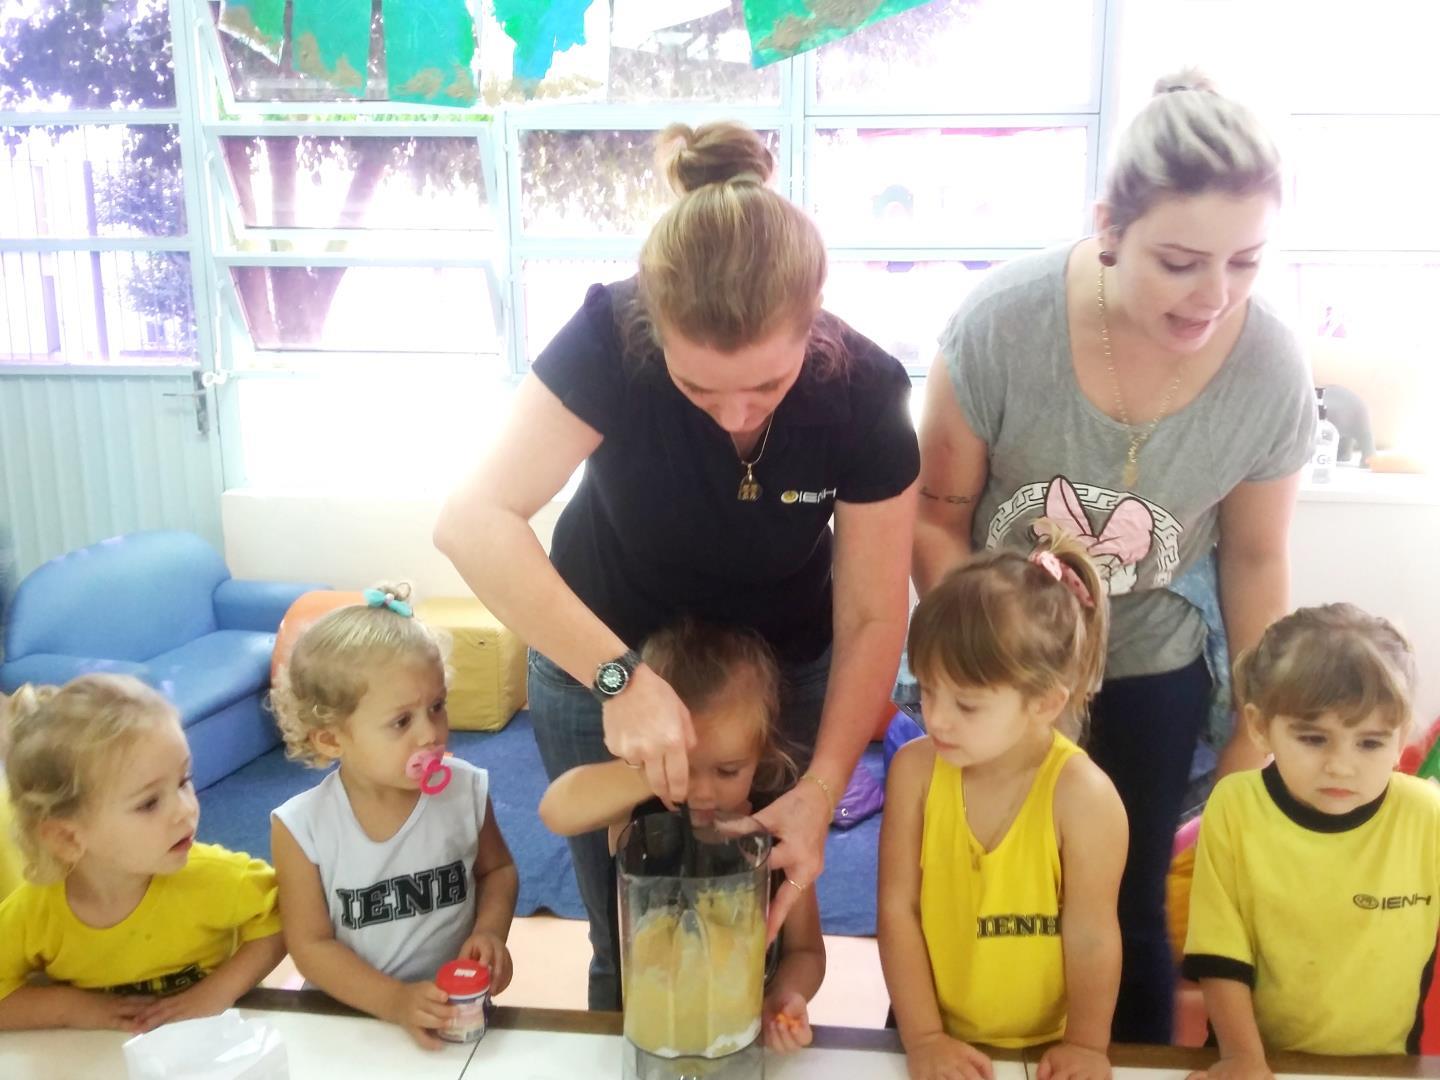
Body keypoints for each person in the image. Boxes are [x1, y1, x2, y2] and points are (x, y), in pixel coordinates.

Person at [435, 121, 919, 1008]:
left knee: (760, 912)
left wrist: (819, 789)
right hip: (606, 640)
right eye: (699, 389)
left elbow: (875, 616)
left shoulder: (864, 391)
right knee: (622, 927)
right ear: (651, 332)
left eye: (766, 389)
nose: (734, 416)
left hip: (781, 669)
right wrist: (616, 677)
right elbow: (472, 520)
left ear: (813, 330)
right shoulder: (604, 334)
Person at [911, 70, 1316, 1042]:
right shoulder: (1005, 326)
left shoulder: (1270, 370)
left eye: (1247, 263)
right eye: (1179, 261)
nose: (1213, 296)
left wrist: (1251, 730)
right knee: (961, 879)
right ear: (1109, 227)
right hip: (997, 662)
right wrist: (984, 663)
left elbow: (1256, 559)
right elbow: (938, 519)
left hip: (1151, 660)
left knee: (1124, 898)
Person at [880, 526, 1127, 1080]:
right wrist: (922, 1038)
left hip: (1045, 1049)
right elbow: (898, 910)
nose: (936, 717)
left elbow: (1092, 932)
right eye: (927, 690)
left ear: (1044, 702)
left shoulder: (1084, 797)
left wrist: (1088, 1045)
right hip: (928, 1032)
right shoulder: (914, 773)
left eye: (966, 705)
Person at [540, 620, 824, 1053]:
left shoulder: (779, 836)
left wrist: (784, 998)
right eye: (682, 766)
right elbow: (556, 810)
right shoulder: (638, 815)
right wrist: (645, 773)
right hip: (644, 1032)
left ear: (761, 754)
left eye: (728, 770)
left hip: (738, 1035)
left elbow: (806, 953)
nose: (702, 791)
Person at [1183, 604, 1440, 1078]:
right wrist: (1243, 1058)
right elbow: (1220, 955)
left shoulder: (1428, 817)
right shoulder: (1235, 807)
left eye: (1369, 743)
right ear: (1260, 726)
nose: (1341, 766)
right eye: (1313, 739)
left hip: (1385, 1066)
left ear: (1401, 735)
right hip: (1256, 1062)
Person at [270, 584, 518, 1049]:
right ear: (330, 739)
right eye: (402, 721)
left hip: (452, 1011)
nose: (431, 733)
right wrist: (394, 1001)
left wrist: (490, 931)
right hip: (347, 1022)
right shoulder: (302, 827)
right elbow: (310, 946)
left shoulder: (464, 790)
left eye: (437, 707)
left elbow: (498, 870)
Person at [0, 675, 284, 1032]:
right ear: (67, 837)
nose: (185, 810)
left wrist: (217, 993)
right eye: (149, 803)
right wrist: (72, 1008)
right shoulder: (34, 912)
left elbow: (282, 918)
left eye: (183, 781)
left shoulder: (215, 876)